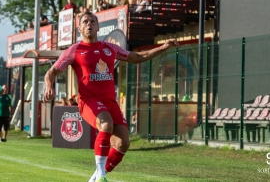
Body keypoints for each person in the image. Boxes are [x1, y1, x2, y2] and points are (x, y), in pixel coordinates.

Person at [43, 11, 178, 182]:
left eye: (92, 21)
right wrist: (49, 86)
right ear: (79, 28)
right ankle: (101, 175)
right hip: (89, 102)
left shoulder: (109, 48)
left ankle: (94, 178)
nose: (89, 24)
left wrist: (162, 48)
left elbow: (137, 57)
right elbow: (51, 72)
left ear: (98, 27)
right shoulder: (74, 50)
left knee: (123, 143)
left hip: (110, 102)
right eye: (85, 22)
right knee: (106, 125)